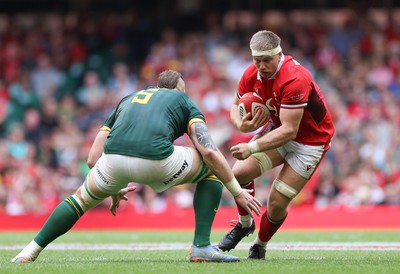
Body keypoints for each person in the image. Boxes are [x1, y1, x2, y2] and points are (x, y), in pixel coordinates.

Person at [11, 70, 262, 264]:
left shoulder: (128, 99)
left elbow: (91, 159)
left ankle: (28, 252)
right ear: (177, 89)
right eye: (183, 91)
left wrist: (112, 186)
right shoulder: (182, 101)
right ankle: (201, 246)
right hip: (158, 161)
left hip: (111, 163)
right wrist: (236, 191)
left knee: (79, 200)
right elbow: (208, 150)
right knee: (212, 166)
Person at [218, 30, 335, 259]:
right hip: (278, 129)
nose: (261, 66)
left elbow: (290, 130)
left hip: (310, 142)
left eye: (267, 60)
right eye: (257, 60)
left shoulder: (294, 78)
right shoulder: (252, 72)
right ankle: (244, 224)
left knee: (276, 202)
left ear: (279, 54)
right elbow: (235, 105)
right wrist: (241, 126)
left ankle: (260, 245)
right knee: (239, 172)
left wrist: (251, 147)